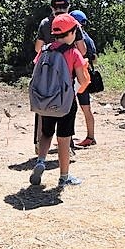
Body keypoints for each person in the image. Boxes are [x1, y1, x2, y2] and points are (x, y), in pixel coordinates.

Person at [30, 13, 91, 188]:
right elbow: (83, 80)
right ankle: (64, 177)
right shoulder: (73, 53)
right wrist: (77, 91)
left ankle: (41, 161)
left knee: (46, 133)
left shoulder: (45, 49)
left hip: (45, 100)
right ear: (71, 33)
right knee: (64, 139)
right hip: (65, 102)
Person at [70, 10, 99, 147]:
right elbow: (95, 59)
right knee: (86, 108)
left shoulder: (75, 38)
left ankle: (68, 138)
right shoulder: (89, 39)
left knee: (70, 108)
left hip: (76, 77)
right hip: (85, 77)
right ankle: (90, 137)